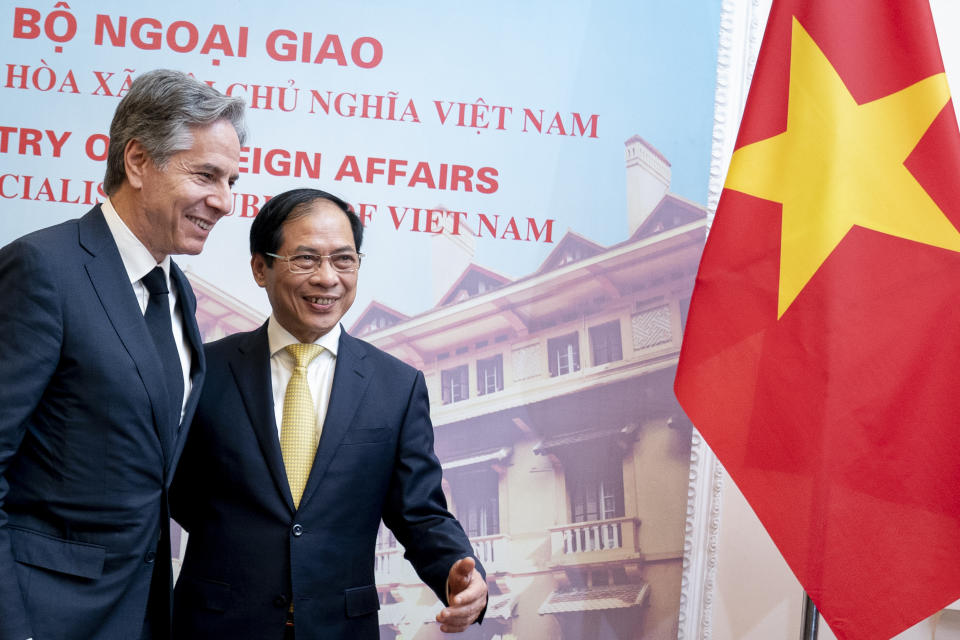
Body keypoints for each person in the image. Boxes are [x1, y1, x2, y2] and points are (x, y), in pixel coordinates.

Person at [170, 188, 488, 639]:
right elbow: (171, 494)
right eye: (305, 259)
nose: (328, 278)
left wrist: (458, 572)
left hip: (341, 628)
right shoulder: (202, 372)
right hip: (215, 624)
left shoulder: (396, 386)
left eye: (344, 260)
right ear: (261, 267)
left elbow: (420, 512)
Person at [0, 69, 246, 640]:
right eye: (207, 175)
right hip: (44, 618)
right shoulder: (42, 269)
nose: (225, 202)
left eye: (231, 180)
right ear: (137, 161)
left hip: (140, 616)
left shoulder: (177, 290)